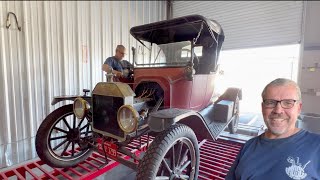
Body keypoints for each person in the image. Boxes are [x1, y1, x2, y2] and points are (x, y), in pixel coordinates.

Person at [225, 78, 320, 180]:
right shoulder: (248, 147)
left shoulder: (317, 146)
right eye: (270, 102)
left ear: (299, 108)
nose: (278, 110)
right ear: (262, 108)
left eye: (288, 103)